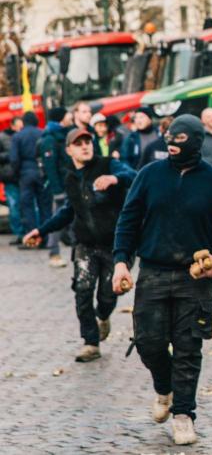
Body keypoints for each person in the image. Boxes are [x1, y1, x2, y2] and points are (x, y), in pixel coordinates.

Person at [112, 114, 212, 446]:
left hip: (194, 278)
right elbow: (128, 220)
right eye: (168, 138)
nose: (172, 144)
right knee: (148, 343)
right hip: (153, 271)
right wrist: (120, 262)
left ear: (196, 142)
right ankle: (164, 386)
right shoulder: (149, 175)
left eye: (180, 139)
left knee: (188, 347)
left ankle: (183, 414)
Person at [23, 128, 136, 362]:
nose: (85, 146)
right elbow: (68, 211)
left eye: (88, 142)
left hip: (115, 245)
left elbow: (133, 174)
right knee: (82, 290)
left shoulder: (107, 165)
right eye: (79, 143)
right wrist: (41, 230)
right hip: (85, 244)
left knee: (107, 295)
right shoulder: (71, 178)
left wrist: (115, 179)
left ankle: (103, 316)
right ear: (69, 150)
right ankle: (91, 343)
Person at [38, 107, 73, 268]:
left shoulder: (63, 134)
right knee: (57, 218)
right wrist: (57, 190)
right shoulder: (50, 138)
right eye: (68, 115)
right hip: (60, 187)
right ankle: (54, 252)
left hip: (68, 183)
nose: (70, 116)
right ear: (61, 118)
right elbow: (50, 167)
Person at [11, 111, 50, 251]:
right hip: (42, 173)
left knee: (27, 207)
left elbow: (14, 159)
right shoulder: (43, 133)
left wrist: (16, 175)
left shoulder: (17, 136)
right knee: (45, 206)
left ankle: (31, 238)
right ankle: (45, 238)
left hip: (25, 173)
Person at [0, 116, 24, 244]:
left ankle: (26, 232)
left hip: (22, 176)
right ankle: (19, 233)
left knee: (25, 206)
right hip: (10, 177)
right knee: (14, 206)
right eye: (19, 126)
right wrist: (10, 155)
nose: (21, 129)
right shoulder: (2, 137)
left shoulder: (21, 137)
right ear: (12, 126)